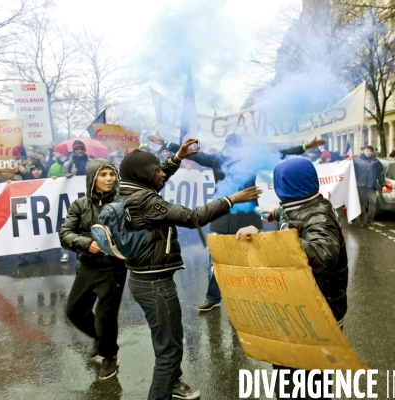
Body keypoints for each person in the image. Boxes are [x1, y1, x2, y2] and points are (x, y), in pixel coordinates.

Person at [117, 141, 262, 400]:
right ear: (145, 175)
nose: (163, 173)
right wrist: (231, 199)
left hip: (146, 279)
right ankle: (163, 390)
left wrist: (177, 157)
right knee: (170, 351)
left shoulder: (129, 187)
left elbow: (157, 171)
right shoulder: (145, 199)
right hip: (155, 285)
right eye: (157, 170)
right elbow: (193, 218)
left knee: (169, 343)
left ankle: (172, 383)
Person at [163, 134, 325, 313]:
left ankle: (248, 299)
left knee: (249, 263)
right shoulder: (218, 160)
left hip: (247, 221)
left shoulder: (252, 160)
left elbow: (279, 153)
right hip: (221, 219)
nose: (232, 152)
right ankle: (213, 298)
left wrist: (306, 146)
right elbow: (194, 154)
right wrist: (166, 143)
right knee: (216, 263)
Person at [235, 156, 348, 400]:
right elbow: (294, 219)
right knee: (291, 379)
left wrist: (265, 240)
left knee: (308, 386)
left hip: (319, 318)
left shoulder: (319, 216)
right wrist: (276, 213)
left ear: (286, 186)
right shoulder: (303, 206)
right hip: (303, 311)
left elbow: (323, 255)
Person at [59, 159, 126, 380]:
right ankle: (99, 338)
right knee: (74, 311)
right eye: (103, 174)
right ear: (92, 178)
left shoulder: (122, 202)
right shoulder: (79, 205)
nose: (109, 179)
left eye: (112, 174)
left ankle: (110, 357)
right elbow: (65, 234)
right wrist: (86, 243)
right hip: (87, 266)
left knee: (106, 317)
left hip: (113, 269)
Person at [15, 163, 47, 266]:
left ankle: (39, 254)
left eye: (38, 169)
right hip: (28, 210)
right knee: (25, 231)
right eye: (34, 170)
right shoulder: (25, 180)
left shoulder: (48, 181)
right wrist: (10, 184)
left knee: (41, 232)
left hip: (41, 211)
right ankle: (22, 255)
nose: (36, 172)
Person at [353, 145, 384, 228]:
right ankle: (363, 220)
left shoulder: (376, 162)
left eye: (370, 151)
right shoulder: (356, 160)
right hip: (361, 185)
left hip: (371, 185)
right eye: (367, 150)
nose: (369, 152)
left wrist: (383, 184)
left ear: (372, 152)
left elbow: (380, 174)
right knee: (362, 203)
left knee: (373, 202)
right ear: (364, 151)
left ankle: (370, 219)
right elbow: (350, 171)